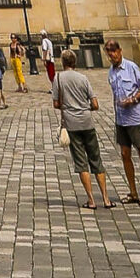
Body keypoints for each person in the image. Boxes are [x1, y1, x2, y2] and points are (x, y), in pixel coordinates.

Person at [53, 58, 112, 209]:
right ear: (75, 62)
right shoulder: (83, 78)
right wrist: (85, 109)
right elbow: (95, 104)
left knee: (81, 162)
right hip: (87, 123)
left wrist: (68, 106)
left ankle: (91, 200)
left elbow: (56, 104)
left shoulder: (58, 78)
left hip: (72, 125)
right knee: (96, 160)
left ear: (63, 63)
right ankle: (106, 199)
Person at [106, 39, 140, 204]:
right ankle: (133, 192)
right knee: (125, 154)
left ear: (120, 51)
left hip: (137, 117)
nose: (111, 54)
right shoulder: (111, 72)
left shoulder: (131, 67)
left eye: (114, 51)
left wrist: (132, 100)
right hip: (122, 119)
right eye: (109, 52)